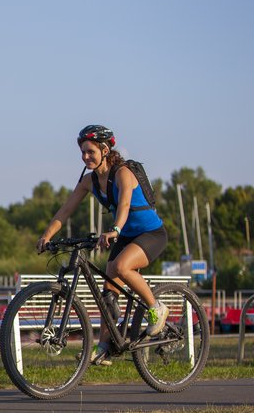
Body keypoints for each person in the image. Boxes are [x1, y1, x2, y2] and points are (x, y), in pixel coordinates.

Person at [36, 125, 169, 366]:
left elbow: (124, 205)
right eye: (83, 153)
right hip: (125, 236)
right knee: (108, 297)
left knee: (121, 267)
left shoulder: (123, 173)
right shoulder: (89, 181)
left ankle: (156, 307)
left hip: (150, 234)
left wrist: (115, 229)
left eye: (91, 152)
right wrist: (46, 236)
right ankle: (104, 347)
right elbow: (65, 210)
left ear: (105, 150)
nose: (86, 157)